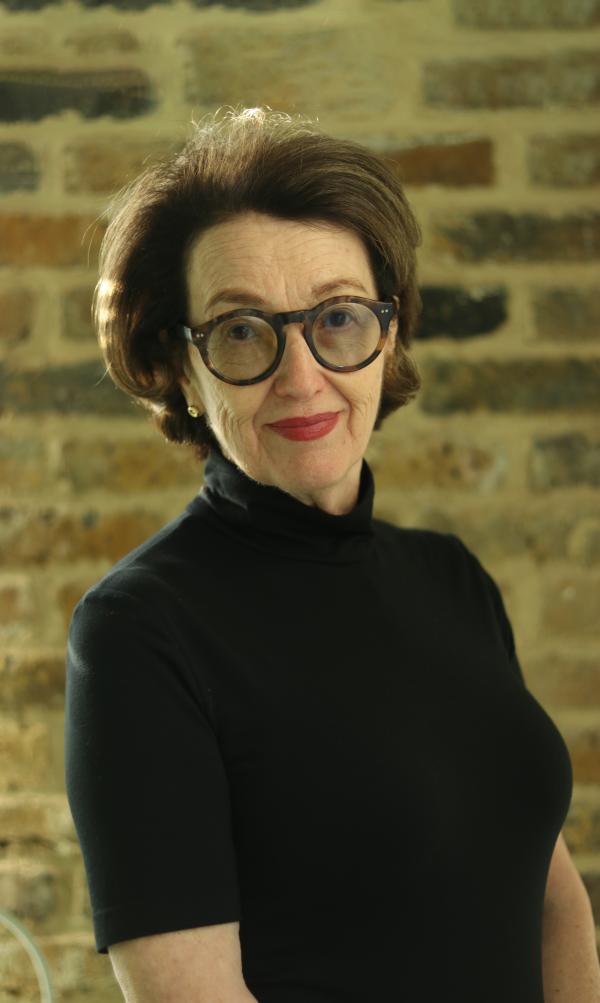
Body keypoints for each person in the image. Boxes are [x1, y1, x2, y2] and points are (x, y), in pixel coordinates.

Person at [64, 106, 573, 1003]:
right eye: (242, 330)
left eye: (336, 318)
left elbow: (551, 897)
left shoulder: (452, 578)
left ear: (388, 332)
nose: (301, 377)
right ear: (182, 368)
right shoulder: (137, 632)